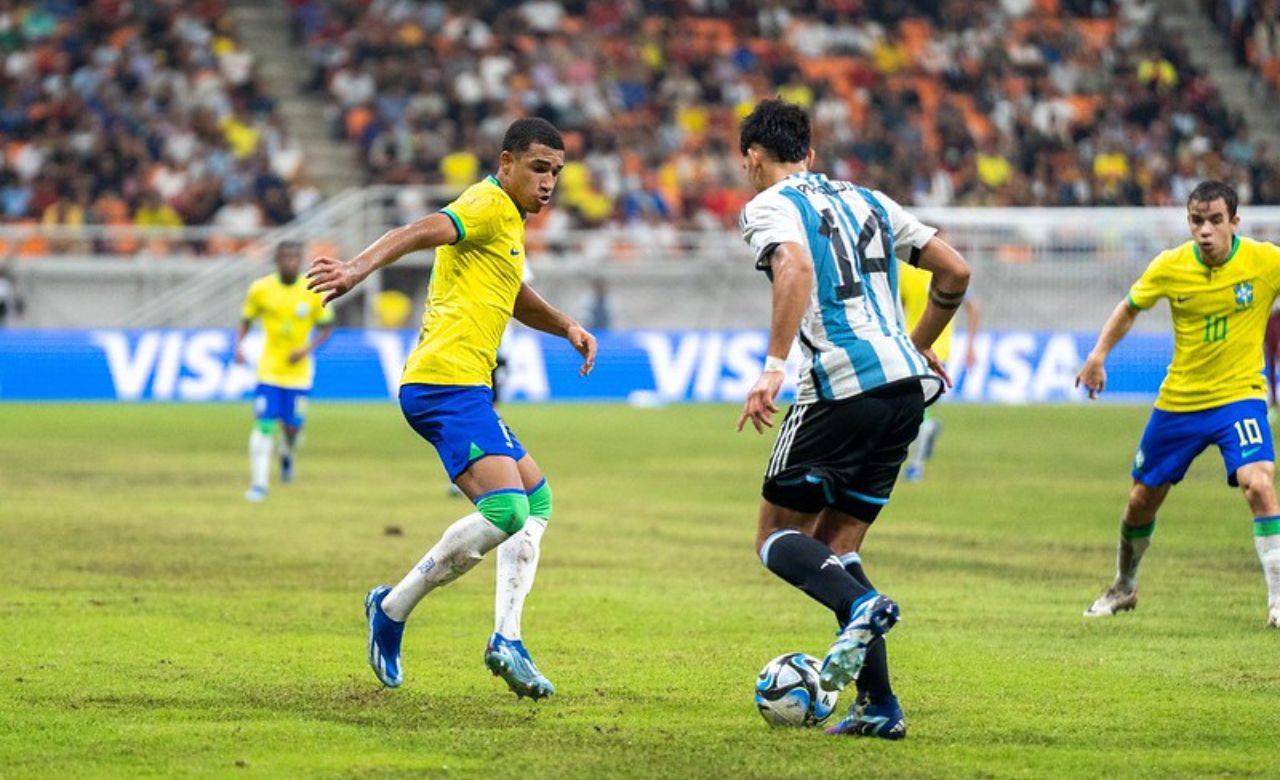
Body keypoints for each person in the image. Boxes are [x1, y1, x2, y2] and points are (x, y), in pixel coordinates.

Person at [306, 118, 597, 700]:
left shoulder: (507, 223)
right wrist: (359, 268)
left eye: (556, 174)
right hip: (444, 383)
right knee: (508, 509)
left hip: (466, 387)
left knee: (535, 502)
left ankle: (507, 639)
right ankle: (390, 610)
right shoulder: (486, 203)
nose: (548, 183)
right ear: (507, 162)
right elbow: (421, 229)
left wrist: (565, 324)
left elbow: (511, 295)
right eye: (538, 169)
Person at [734, 99, 971, 739]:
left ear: (753, 158)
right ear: (810, 152)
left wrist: (773, 366)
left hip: (837, 387)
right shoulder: (870, 199)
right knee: (838, 548)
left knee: (775, 537)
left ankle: (862, 606)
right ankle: (879, 707)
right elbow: (955, 270)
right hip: (904, 390)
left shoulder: (767, 205)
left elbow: (798, 266)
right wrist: (918, 342)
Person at [1078, 180, 1280, 628]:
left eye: (1214, 221)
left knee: (1260, 484)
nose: (1204, 231)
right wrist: (1097, 355)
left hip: (1240, 397)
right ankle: (1124, 585)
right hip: (1180, 402)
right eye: (1196, 221)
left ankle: (1277, 601)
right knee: (1140, 502)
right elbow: (1130, 306)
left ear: (1234, 222)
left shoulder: (1265, 261)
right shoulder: (1170, 266)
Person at [234, 241, 334, 502]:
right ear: (276, 261)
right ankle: (259, 484)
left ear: (299, 261)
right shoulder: (261, 289)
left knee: (292, 428)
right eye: (285, 258)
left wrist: (306, 350)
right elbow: (246, 320)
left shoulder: (312, 290)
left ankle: (287, 453)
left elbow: (326, 327)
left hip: (299, 374)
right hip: (269, 370)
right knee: (265, 425)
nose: (290, 262)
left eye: (294, 257)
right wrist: (239, 345)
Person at [897, 262, 981, 481]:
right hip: (929, 347)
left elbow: (900, 308)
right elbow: (973, 307)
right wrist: (971, 345)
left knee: (918, 408)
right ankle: (928, 432)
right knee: (915, 408)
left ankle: (916, 465)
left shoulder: (907, 271)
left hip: (922, 347)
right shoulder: (947, 269)